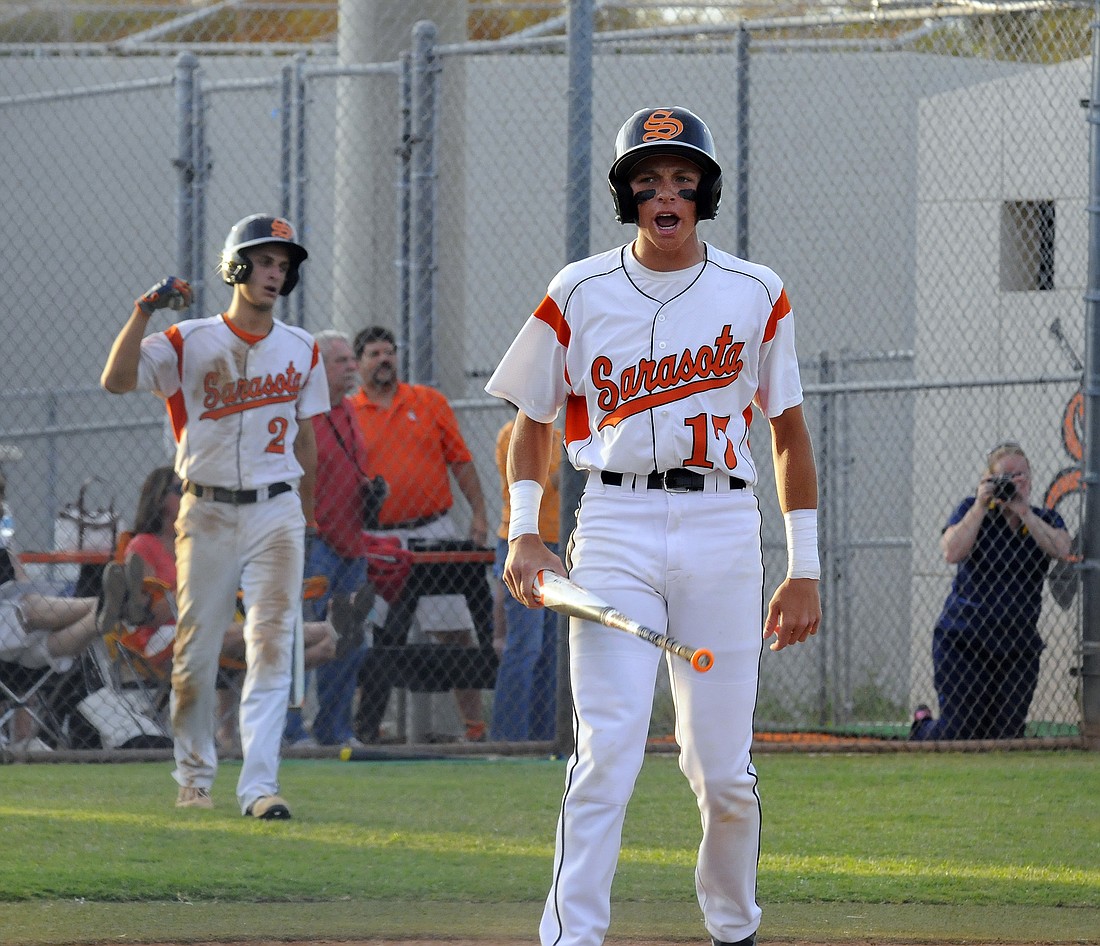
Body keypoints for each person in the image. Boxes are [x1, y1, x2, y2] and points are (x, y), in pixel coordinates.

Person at [485, 106, 821, 946]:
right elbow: (529, 419)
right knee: (606, 753)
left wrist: (804, 566)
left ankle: (734, 928)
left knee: (723, 775)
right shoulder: (579, 287)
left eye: (681, 179)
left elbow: (786, 434)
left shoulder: (757, 290)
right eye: (647, 181)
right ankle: (571, 936)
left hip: (720, 525)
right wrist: (525, 530)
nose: (665, 193)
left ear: (704, 193)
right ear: (627, 195)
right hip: (616, 520)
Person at [100, 213, 329, 818]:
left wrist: (301, 515)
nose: (274, 273)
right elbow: (116, 380)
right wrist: (143, 311)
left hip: (276, 509)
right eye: (263, 261)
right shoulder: (189, 340)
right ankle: (195, 778)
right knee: (197, 651)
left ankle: (259, 788)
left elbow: (306, 439)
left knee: (272, 646)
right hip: (206, 511)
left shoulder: (302, 348)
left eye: (283, 264)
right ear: (235, 266)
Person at [118, 466, 338, 750]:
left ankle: (325, 634)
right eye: (180, 490)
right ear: (160, 500)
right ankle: (322, 628)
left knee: (327, 648)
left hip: (210, 628)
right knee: (232, 634)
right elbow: (148, 611)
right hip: (162, 638)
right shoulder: (142, 545)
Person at [350, 324, 490, 742]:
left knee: (454, 631)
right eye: (373, 354)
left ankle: (475, 728)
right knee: (371, 638)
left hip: (434, 530)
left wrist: (480, 515)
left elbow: (461, 462)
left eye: (389, 352)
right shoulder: (348, 413)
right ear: (359, 364)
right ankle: (365, 729)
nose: (383, 360)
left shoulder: (428, 402)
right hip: (376, 540)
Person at [910, 441, 1070, 741]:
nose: (1012, 483)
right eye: (1004, 477)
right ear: (989, 480)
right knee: (960, 735)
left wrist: (1024, 512)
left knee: (1005, 737)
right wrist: (981, 505)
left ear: (1031, 480)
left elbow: (1063, 549)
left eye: (1019, 475)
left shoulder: (1043, 520)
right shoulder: (972, 511)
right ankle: (922, 726)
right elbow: (951, 552)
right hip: (964, 639)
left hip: (1017, 645)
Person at [287, 329, 385, 748]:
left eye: (350, 360)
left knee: (349, 641)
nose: (351, 368)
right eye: (341, 361)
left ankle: (334, 730)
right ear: (318, 367)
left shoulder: (347, 412)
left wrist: (367, 489)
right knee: (302, 637)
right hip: (313, 542)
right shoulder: (298, 414)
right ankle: (290, 732)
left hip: (351, 545)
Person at [1, 537, 134, 749]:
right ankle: (113, 607)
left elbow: (23, 585)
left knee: (41, 637)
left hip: (23, 652)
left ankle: (104, 612)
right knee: (28, 606)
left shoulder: (4, 546)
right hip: (10, 623)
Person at [489, 407, 561, 742]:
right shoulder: (511, 433)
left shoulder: (560, 438)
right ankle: (509, 738)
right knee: (525, 646)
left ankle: (544, 735)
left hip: (558, 543)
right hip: (524, 544)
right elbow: (542, 486)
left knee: (551, 648)